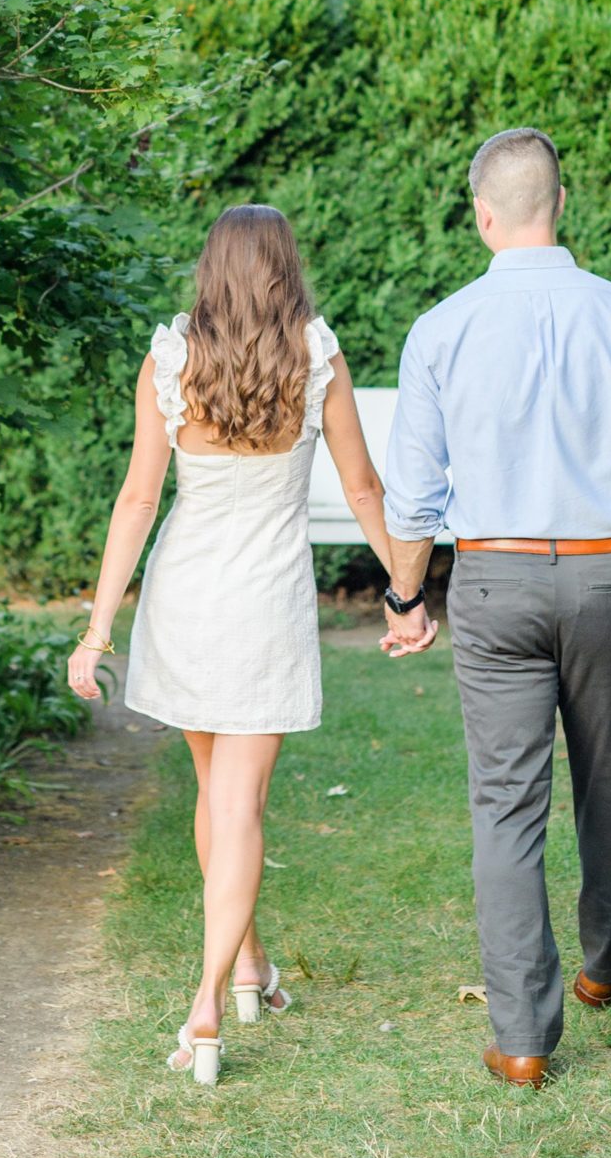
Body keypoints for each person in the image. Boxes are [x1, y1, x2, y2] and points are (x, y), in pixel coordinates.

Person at [378, 128, 611, 1091]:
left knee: (503, 804)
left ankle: (522, 1037)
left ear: (483, 214)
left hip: (493, 582)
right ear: (558, 203)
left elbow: (413, 500)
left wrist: (407, 596)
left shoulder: (440, 328)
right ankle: (608, 959)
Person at [67, 203, 395, 1086]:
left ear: (210, 270)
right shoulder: (316, 356)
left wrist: (99, 627)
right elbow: (362, 487)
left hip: (185, 598)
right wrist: (402, 588)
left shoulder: (169, 360)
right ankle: (207, 1004)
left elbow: (137, 501)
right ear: (285, 267)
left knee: (217, 798)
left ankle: (248, 965)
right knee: (235, 806)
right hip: (263, 606)